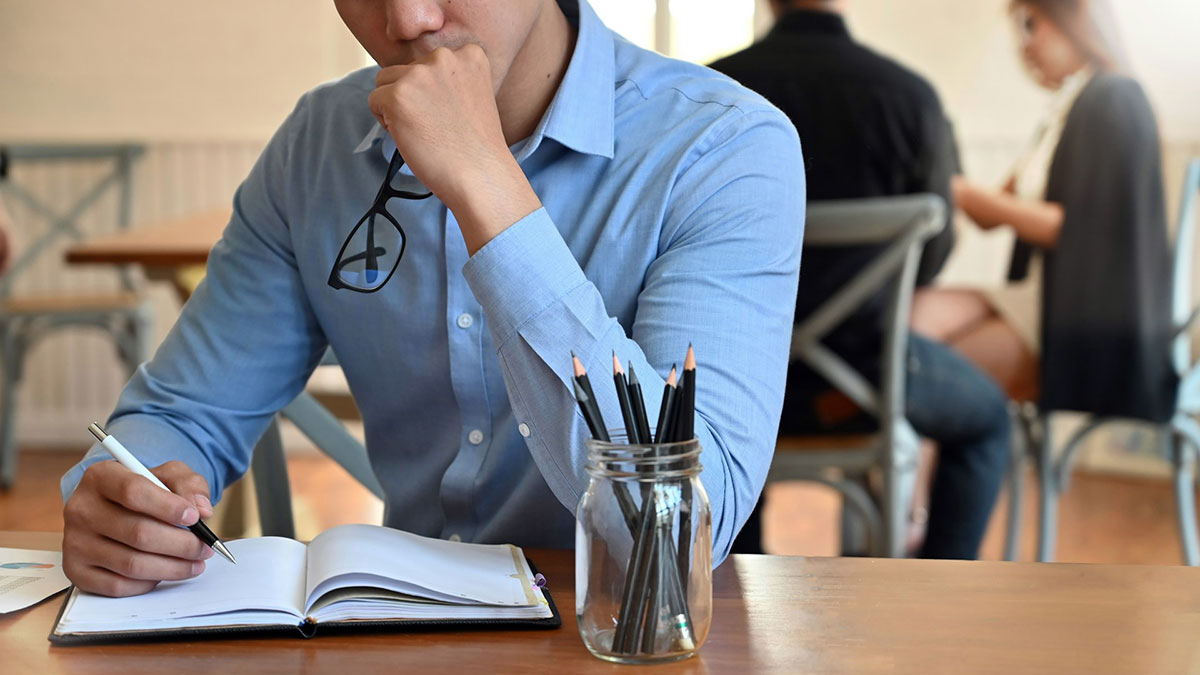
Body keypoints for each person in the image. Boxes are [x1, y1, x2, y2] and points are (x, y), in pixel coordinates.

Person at [58, 0, 805, 597]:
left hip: (615, 640)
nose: (406, 20)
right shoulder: (316, 146)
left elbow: (677, 530)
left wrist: (485, 183)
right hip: (398, 637)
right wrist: (122, 496)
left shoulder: (725, 147)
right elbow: (183, 414)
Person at [711, 0, 1010, 559]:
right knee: (988, 419)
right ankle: (936, 590)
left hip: (737, 387)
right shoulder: (909, 97)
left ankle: (731, 589)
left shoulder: (716, 88)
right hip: (863, 383)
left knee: (727, 441)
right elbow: (934, 251)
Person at [911, 0, 1175, 421]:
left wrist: (961, 191)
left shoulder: (1114, 97)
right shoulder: (1062, 114)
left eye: (1031, 24)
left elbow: (1077, 229)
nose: (1024, 44)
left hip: (1077, 311)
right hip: (1033, 292)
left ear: (1073, 18)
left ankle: (913, 485)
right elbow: (990, 211)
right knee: (910, 318)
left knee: (919, 377)